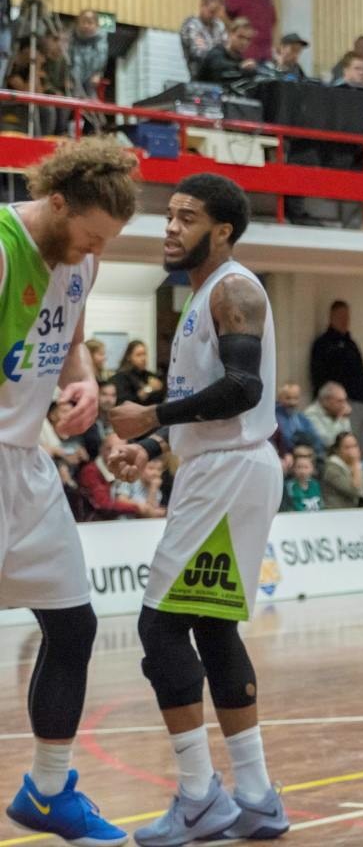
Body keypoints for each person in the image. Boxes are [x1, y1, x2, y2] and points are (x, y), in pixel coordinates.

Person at [106, 174, 287, 842]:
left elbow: (243, 389)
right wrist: (155, 449)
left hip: (231, 474)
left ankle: (199, 795)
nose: (171, 227)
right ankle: (257, 798)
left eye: (188, 218)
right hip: (223, 467)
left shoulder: (235, 290)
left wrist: (152, 416)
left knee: (159, 628)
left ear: (223, 231)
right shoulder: (199, 296)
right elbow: (213, 410)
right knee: (211, 628)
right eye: (170, 216)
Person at [0, 139, 135, 846]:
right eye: (90, 235)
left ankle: (47, 793)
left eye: (105, 242)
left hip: (26, 464)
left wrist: (81, 382)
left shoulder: (84, 261)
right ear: (56, 203)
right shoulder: (3, 248)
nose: (94, 251)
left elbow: (72, 341)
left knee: (73, 626)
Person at [310, 301, 363, 457]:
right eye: (341, 316)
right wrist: (338, 402)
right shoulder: (323, 345)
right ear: (332, 317)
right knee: (348, 446)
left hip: (360, 403)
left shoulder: (351, 344)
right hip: (344, 403)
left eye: (347, 317)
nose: (345, 320)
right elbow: (319, 375)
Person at [196, 18, 259, 88]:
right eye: (240, 37)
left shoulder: (240, 59)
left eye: (248, 39)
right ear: (230, 34)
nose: (244, 42)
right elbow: (221, 68)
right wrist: (240, 67)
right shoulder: (216, 53)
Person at [321, 431, 363, 509]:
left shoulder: (359, 466)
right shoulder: (331, 469)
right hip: (339, 511)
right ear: (337, 450)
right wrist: (355, 463)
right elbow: (354, 491)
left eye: (355, 446)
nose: (352, 451)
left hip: (360, 511)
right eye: (347, 448)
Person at [179, 0, 227, 78]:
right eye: (212, 11)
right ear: (202, 5)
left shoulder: (219, 25)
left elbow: (227, 49)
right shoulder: (191, 25)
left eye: (217, 12)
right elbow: (199, 53)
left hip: (220, 75)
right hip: (200, 77)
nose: (214, 16)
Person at [112, 339, 166, 407]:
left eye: (144, 354)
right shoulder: (121, 377)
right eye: (139, 355)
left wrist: (160, 388)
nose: (143, 358)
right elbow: (123, 402)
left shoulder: (151, 376)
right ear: (129, 357)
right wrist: (148, 389)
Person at [68, 10, 108, 99]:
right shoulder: (71, 39)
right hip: (73, 79)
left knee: (91, 99)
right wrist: (68, 76)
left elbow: (102, 59)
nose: (86, 26)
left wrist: (98, 74)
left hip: (91, 80)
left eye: (90, 23)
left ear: (96, 25)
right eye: (83, 22)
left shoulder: (101, 41)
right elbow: (67, 59)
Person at [304, 381, 351, 452]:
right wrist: (340, 418)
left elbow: (349, 439)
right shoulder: (310, 415)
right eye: (340, 401)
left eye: (345, 400)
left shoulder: (339, 412)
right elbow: (328, 442)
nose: (344, 405)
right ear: (326, 401)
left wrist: (343, 419)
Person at [273, 381, 316, 450]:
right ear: (279, 398)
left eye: (295, 398)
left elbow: (314, 436)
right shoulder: (274, 416)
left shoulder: (301, 417)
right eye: (288, 398)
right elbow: (282, 439)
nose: (292, 402)